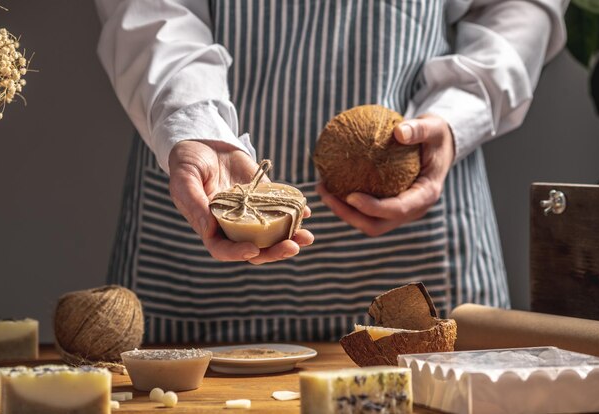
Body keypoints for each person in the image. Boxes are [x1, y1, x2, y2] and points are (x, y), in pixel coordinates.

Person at [95, 0, 567, 343]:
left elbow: (517, 7)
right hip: (197, 222)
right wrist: (194, 123)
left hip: (422, 230)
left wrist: (458, 111)